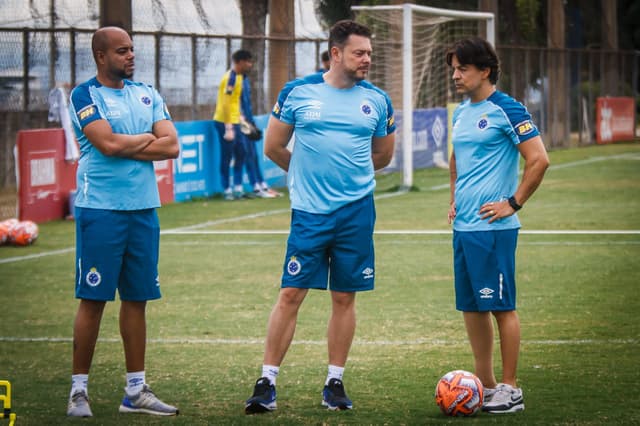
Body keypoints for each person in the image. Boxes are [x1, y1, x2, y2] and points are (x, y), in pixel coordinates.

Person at [244, 20, 396, 414]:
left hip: (357, 213)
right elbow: (274, 146)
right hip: (309, 213)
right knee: (291, 293)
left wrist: (349, 177)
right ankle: (266, 382)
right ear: (336, 53)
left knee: (345, 296)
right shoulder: (298, 92)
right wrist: (306, 176)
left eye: (369, 53)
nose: (367, 59)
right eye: (359, 52)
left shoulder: (377, 100)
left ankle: (334, 381)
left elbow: (383, 155)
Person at [66, 26, 180, 417]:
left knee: (137, 299)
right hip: (100, 210)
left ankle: (136, 391)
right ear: (101, 56)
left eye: (132, 49)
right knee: (94, 299)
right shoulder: (84, 95)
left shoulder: (147, 93)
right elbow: (106, 144)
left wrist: (124, 143)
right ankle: (78, 391)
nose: (131, 56)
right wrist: (143, 140)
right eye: (121, 51)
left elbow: (172, 145)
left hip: (143, 210)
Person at [446, 37, 549, 414]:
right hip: (465, 229)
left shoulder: (508, 108)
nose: (456, 75)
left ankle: (511, 388)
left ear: (485, 70)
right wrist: (455, 198)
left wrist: (513, 202)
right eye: (453, 69)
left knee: (501, 307)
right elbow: (457, 158)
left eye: (463, 69)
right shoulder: (460, 113)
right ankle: (486, 386)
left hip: (494, 230)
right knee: (472, 309)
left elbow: (539, 160)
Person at [213, 49, 253, 200]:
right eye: (248, 61)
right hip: (224, 122)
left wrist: (241, 119)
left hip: (236, 121)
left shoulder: (240, 77)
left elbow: (235, 102)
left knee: (242, 152)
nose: (250, 65)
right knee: (227, 156)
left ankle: (238, 187)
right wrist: (229, 128)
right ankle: (227, 189)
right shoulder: (230, 78)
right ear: (240, 62)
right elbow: (225, 104)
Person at [238, 63, 281, 198]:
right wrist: (242, 122)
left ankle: (262, 184)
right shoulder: (234, 79)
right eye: (248, 62)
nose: (250, 65)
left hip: (248, 121)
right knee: (247, 155)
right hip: (240, 123)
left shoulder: (244, 80)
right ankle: (255, 187)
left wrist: (252, 123)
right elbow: (233, 103)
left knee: (254, 154)